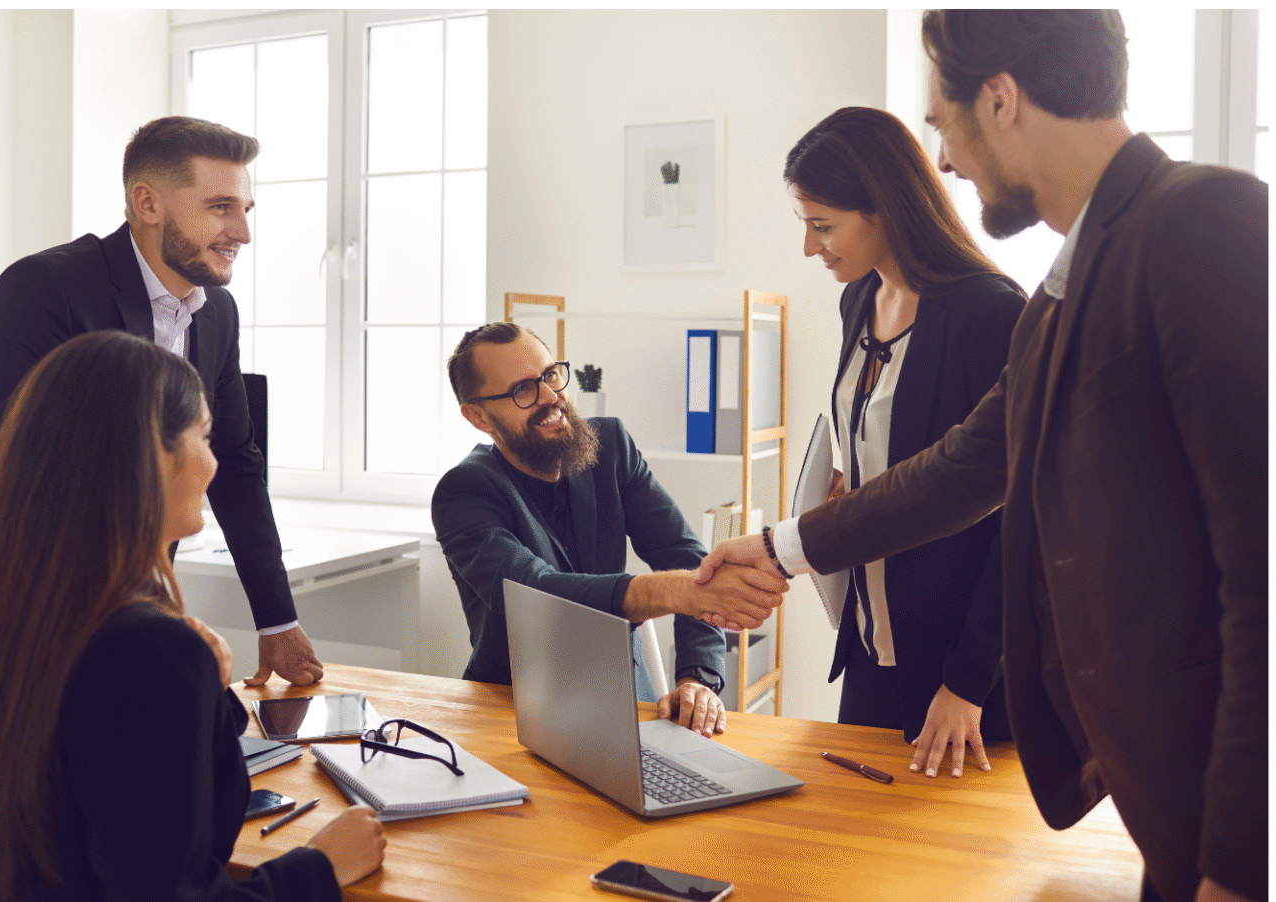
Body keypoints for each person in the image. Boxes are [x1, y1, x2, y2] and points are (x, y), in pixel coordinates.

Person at [697, 11, 1266, 902]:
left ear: (999, 100)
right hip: (1166, 814)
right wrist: (779, 548)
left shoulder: (1204, 219)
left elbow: (1263, 578)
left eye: (942, 122)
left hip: (1223, 830)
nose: (946, 159)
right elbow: (961, 470)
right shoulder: (1057, 298)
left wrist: (1237, 867)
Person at [0, 331, 386, 901]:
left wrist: (207, 686)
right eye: (203, 435)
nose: (215, 463)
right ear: (148, 456)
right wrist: (317, 867)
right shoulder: (145, 650)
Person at [0, 116, 323, 687]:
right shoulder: (44, 287)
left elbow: (236, 464)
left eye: (246, 209)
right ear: (147, 202)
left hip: (119, 607)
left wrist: (277, 619)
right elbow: (5, 470)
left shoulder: (217, 313)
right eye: (220, 207)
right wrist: (122, 621)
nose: (242, 230)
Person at [783, 106, 1026, 779]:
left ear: (885, 208)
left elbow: (1022, 518)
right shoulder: (857, 300)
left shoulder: (991, 312)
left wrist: (970, 679)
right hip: (867, 651)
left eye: (823, 225)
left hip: (962, 679)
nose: (810, 247)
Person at [432, 323, 788, 736]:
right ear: (478, 417)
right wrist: (673, 591)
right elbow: (535, 591)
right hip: (512, 712)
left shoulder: (611, 447)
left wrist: (697, 679)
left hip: (625, 697)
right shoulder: (464, 492)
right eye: (523, 391)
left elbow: (690, 561)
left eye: (550, 375)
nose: (551, 397)